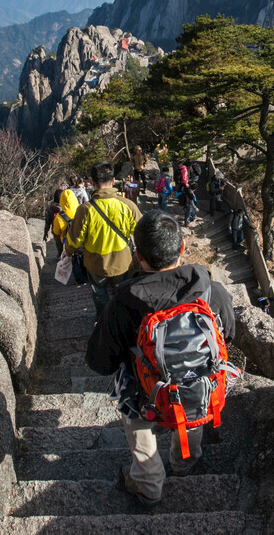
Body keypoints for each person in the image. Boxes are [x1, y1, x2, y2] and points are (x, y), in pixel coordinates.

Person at [86, 210, 235, 507]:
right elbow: (227, 335)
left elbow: (101, 363)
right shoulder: (210, 291)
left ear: (138, 256)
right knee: (193, 397)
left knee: (131, 403)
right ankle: (185, 464)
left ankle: (148, 482)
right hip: (194, 388)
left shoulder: (122, 304)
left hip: (145, 395)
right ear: (182, 248)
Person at [65, 162, 142, 317]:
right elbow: (142, 232)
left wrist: (67, 251)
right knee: (121, 293)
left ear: (92, 183)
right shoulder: (128, 205)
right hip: (122, 262)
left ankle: (103, 320)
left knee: (100, 294)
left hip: (96, 264)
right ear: (113, 181)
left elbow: (75, 240)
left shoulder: (85, 210)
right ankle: (121, 319)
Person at [51, 188, 79, 257]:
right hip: (80, 244)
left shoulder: (59, 217)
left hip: (67, 244)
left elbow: (56, 232)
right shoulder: (81, 211)